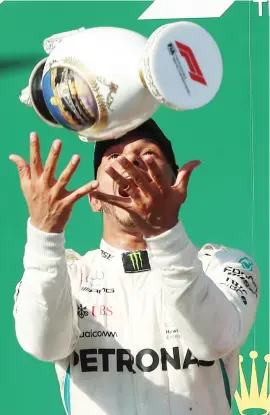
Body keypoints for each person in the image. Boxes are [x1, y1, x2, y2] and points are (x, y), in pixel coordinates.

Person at [11, 119, 259, 415]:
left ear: (176, 184)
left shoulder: (224, 266)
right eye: (114, 157)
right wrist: (44, 235)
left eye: (147, 153)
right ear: (93, 198)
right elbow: (43, 343)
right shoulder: (68, 275)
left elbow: (214, 340)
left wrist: (164, 234)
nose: (130, 162)